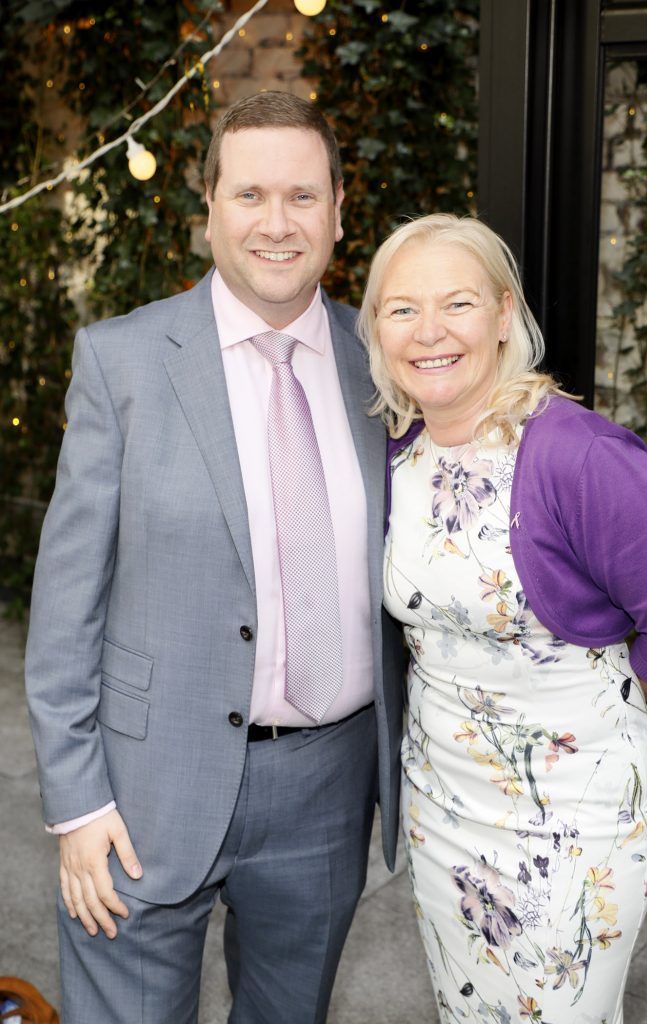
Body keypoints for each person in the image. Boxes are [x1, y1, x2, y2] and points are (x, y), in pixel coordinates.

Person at [25, 92, 405, 1024]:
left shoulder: (389, 362)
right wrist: (77, 807)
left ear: (340, 212)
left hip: (327, 788)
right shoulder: (121, 362)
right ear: (209, 209)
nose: (277, 223)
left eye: (303, 197)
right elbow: (65, 606)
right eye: (250, 195)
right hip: (145, 788)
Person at [357, 213, 647, 1024]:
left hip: (573, 814)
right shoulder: (395, 453)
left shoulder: (579, 454)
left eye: (458, 303)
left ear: (504, 313)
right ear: (376, 328)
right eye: (402, 308)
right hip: (441, 807)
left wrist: (599, 706)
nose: (430, 331)